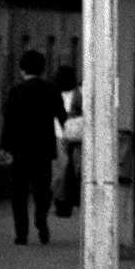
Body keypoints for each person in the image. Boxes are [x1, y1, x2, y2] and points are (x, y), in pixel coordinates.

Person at [0, 50, 67, 245]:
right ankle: (41, 219)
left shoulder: (16, 91)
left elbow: (9, 121)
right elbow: (62, 117)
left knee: (19, 193)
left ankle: (21, 234)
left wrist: (4, 146)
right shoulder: (51, 90)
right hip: (44, 149)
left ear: (22, 69)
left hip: (19, 150)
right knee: (42, 190)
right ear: (43, 69)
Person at [52, 65, 84, 217]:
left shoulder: (54, 93)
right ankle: (65, 201)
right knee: (69, 169)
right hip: (73, 136)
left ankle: (62, 201)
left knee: (62, 170)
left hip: (62, 135)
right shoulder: (79, 93)